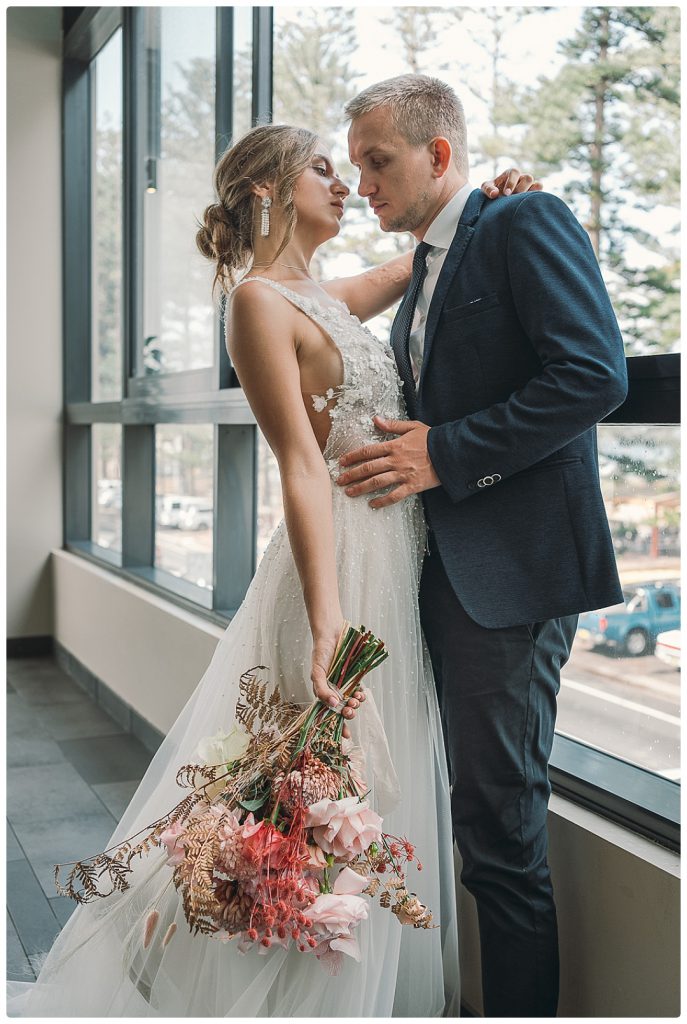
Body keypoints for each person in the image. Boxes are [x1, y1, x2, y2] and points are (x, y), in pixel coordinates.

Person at [5, 120, 535, 1017]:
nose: (346, 185)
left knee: (349, 788)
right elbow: (298, 462)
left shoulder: (324, 296)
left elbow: (422, 256)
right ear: (268, 192)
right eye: (324, 169)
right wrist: (328, 619)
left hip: (392, 551)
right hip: (336, 562)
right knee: (309, 791)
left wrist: (489, 199)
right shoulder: (256, 302)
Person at [338, 74, 629, 1018]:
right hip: (435, 574)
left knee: (499, 839)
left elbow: (593, 375)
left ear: (439, 154)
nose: (364, 184)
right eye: (353, 168)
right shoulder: (424, 263)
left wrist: (443, 453)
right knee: (464, 823)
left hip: (510, 582)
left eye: (378, 163)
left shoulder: (521, 219)